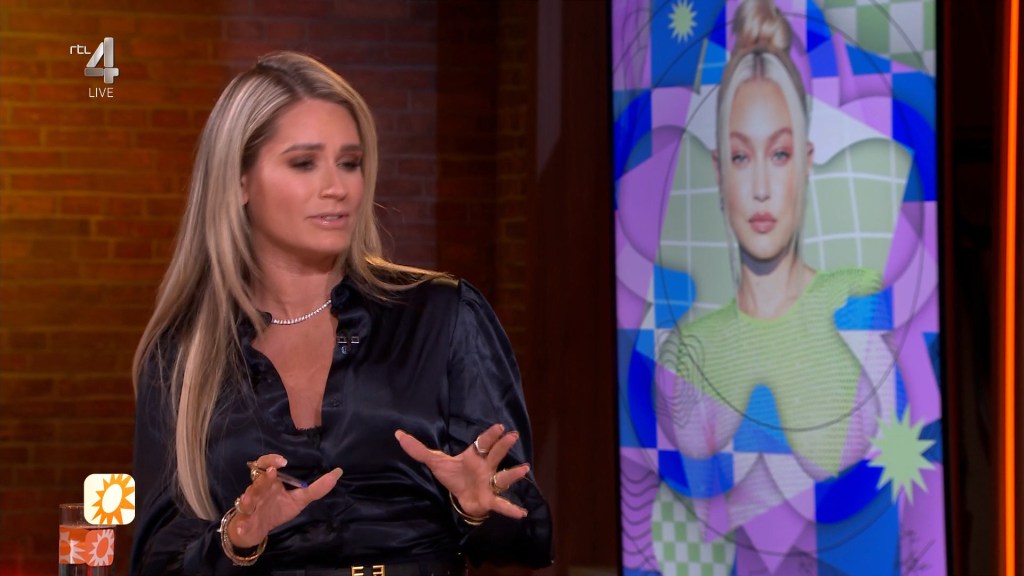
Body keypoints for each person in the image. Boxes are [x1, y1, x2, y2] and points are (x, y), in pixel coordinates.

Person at [130, 51, 553, 574]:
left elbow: (530, 539)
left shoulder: (441, 315)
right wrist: (234, 540)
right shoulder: (183, 355)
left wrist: (477, 509)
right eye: (304, 163)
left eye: (349, 162)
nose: (338, 187)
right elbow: (156, 561)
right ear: (239, 181)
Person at [658, 0, 882, 483]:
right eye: (741, 157)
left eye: (779, 154)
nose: (761, 188)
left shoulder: (859, 297)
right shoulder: (689, 351)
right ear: (719, 171)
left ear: (806, 161)